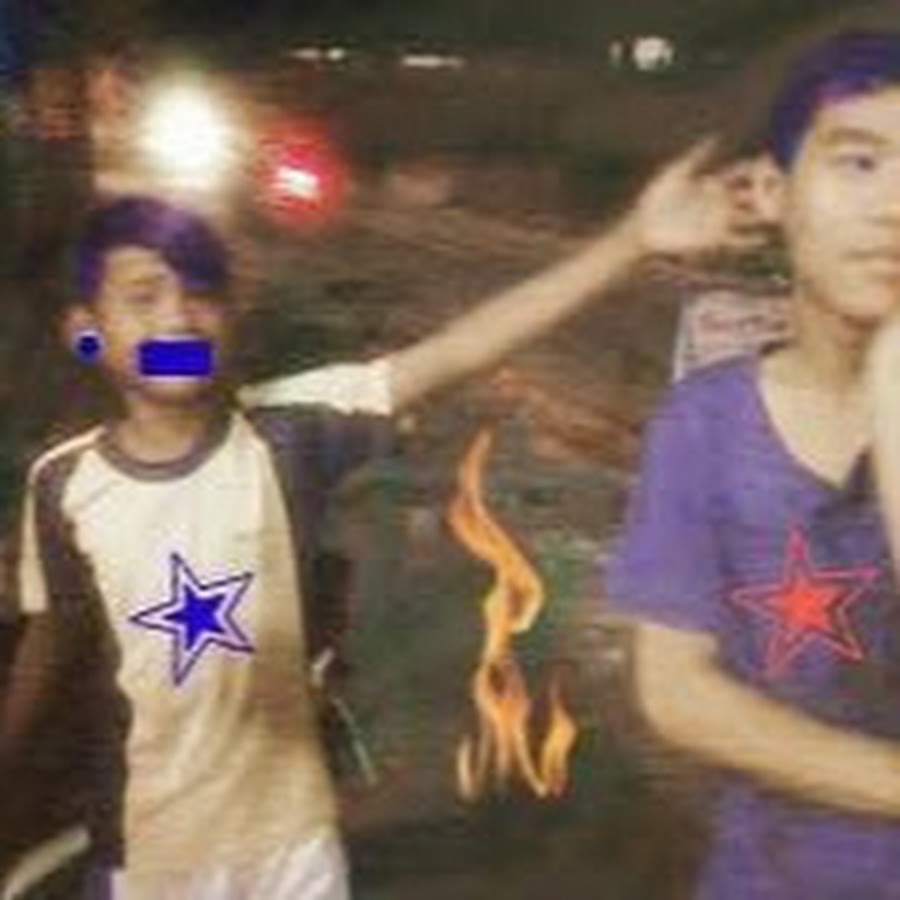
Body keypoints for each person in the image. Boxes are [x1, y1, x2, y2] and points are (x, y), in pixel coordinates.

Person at [0, 138, 756, 899]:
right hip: (151, 858)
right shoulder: (63, 486)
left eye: (200, 293)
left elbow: (462, 351)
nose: (177, 319)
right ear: (85, 330)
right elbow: (53, 635)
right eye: (142, 297)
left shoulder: (294, 433)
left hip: (292, 856)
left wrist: (631, 241)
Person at [607, 30, 900, 900]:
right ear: (773, 192)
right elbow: (674, 691)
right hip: (770, 875)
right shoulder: (707, 421)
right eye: (859, 162)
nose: (895, 205)